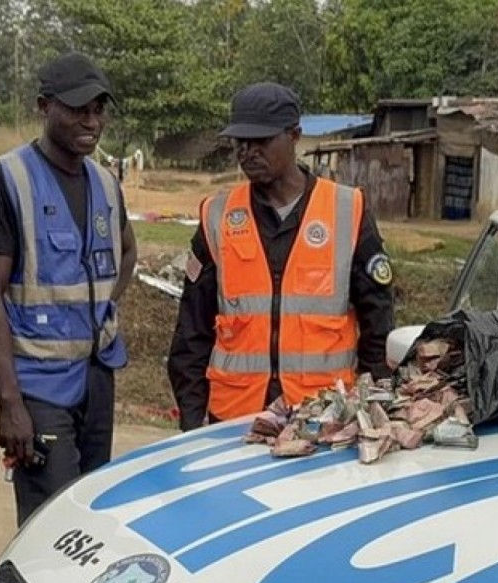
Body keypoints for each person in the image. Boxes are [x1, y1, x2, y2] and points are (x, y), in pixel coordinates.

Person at [0, 52, 137, 526]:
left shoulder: (105, 182)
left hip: (96, 376)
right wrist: (10, 403)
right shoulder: (6, 182)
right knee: (51, 523)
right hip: (37, 387)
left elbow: (126, 252)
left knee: (93, 517)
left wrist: (103, 307)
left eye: (100, 108)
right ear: (44, 106)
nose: (92, 120)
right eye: (78, 108)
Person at [167, 82, 394, 430]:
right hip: (234, 421)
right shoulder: (218, 216)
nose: (248, 152)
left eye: (261, 141)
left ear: (294, 136)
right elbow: (191, 333)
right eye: (240, 142)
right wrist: (193, 419)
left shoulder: (348, 210)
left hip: (322, 419)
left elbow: (378, 325)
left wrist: (370, 411)